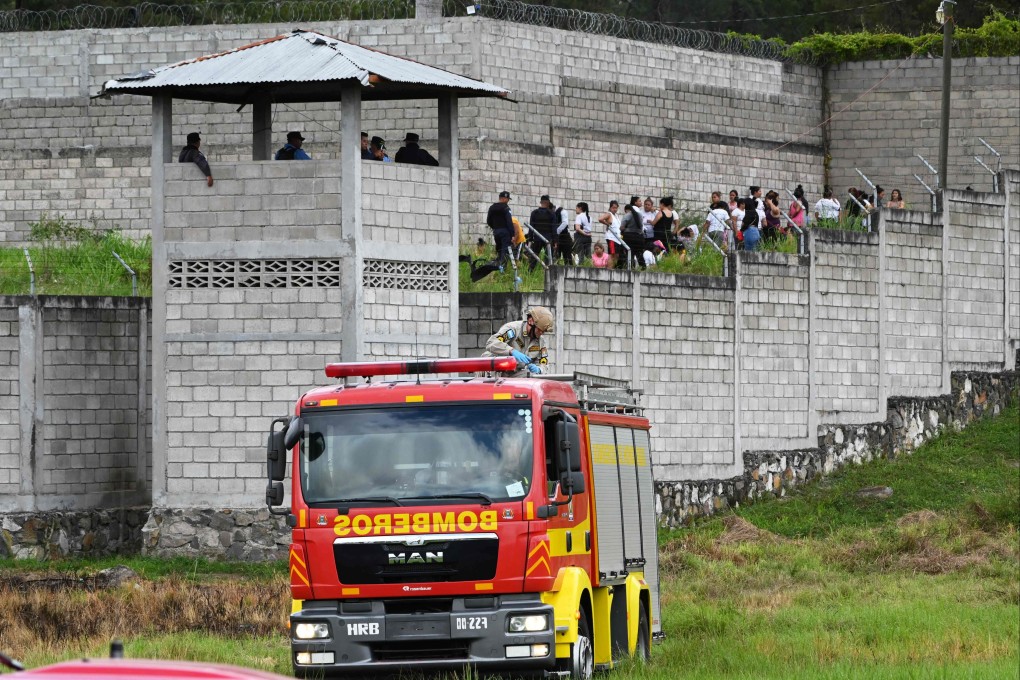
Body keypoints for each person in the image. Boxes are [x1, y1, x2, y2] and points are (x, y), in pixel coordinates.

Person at [482, 306, 555, 376]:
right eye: (539, 330)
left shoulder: (540, 341)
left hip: (514, 373)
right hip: (493, 370)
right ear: (530, 321)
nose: (541, 333)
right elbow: (491, 343)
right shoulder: (513, 330)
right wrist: (511, 351)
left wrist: (539, 369)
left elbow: (544, 362)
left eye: (543, 331)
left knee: (531, 377)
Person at [486, 191, 514, 268]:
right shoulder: (506, 208)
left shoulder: (492, 207)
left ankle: (497, 267)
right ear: (505, 199)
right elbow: (509, 222)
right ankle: (502, 269)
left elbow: (488, 221)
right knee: (505, 252)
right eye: (508, 199)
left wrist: (495, 228)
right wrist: (512, 235)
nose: (508, 201)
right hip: (505, 232)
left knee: (499, 250)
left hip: (496, 232)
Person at [620, 196, 646, 269]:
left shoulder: (627, 215)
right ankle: (643, 268)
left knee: (630, 253)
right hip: (639, 237)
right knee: (639, 254)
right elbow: (641, 226)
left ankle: (631, 268)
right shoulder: (640, 215)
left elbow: (622, 227)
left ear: (628, 209)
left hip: (629, 237)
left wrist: (625, 229)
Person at [598, 200, 624, 268]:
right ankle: (609, 269)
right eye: (613, 207)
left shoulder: (616, 216)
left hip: (617, 238)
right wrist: (607, 224)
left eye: (616, 208)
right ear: (610, 207)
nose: (615, 209)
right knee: (612, 254)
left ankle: (612, 267)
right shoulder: (609, 214)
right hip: (611, 238)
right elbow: (600, 219)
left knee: (617, 255)